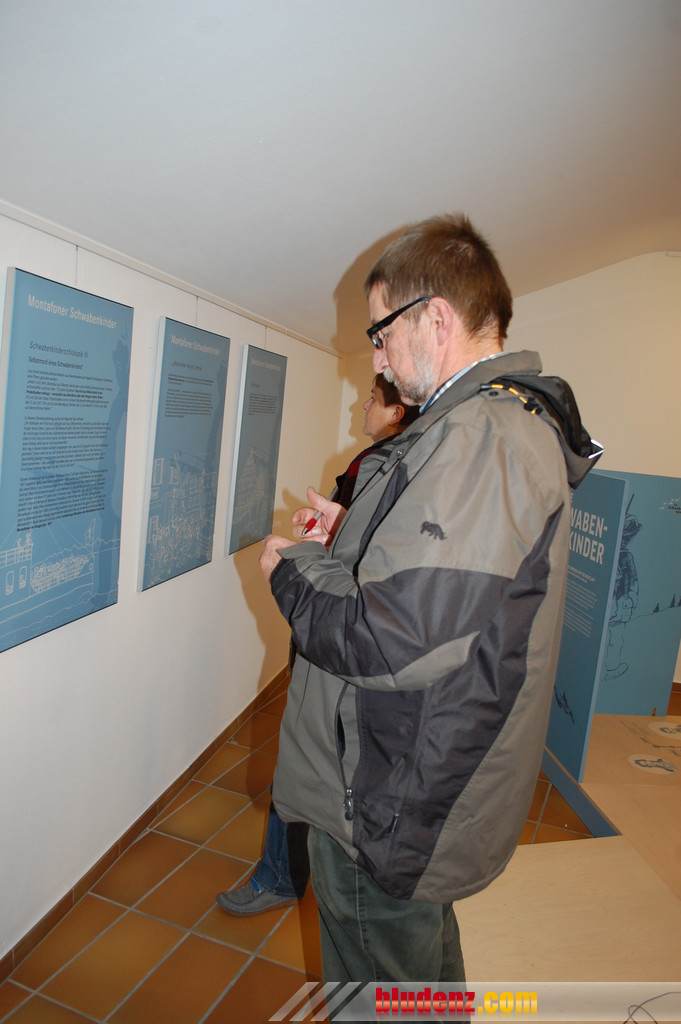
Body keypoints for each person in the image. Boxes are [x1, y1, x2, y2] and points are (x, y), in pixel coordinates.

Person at [259, 213, 602, 983]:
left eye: (380, 333)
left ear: (435, 319)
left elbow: (391, 638)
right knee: (418, 971)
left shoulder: (479, 438)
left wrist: (294, 565)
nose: (376, 358)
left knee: (381, 983)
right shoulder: (480, 429)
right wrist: (349, 535)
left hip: (390, 794)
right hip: (411, 775)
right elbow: (444, 579)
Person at [217, 374, 419, 915]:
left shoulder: (396, 468)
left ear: (397, 412)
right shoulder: (380, 465)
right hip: (334, 631)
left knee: (309, 755)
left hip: (342, 641)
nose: (362, 404)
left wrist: (321, 550)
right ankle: (283, 872)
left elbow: (380, 574)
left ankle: (281, 875)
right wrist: (333, 534)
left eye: (373, 398)